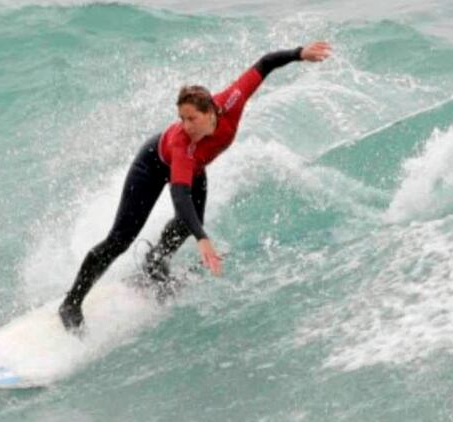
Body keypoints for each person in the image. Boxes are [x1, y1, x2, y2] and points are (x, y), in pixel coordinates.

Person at [59, 41, 333, 332]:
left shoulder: (230, 102)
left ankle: (154, 264)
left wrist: (299, 53)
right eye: (181, 119)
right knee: (120, 239)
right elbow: (180, 194)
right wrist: (202, 239)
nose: (186, 125)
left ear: (211, 112)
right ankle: (71, 303)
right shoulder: (182, 144)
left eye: (192, 119)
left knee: (187, 224)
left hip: (196, 167)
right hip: (151, 166)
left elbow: (265, 63)